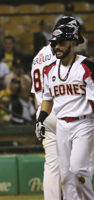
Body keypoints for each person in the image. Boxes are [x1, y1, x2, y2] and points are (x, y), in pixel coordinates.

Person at [36, 16, 94, 199]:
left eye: (61, 42)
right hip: (61, 124)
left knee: (78, 169)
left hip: (83, 123)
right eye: (54, 43)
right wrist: (40, 119)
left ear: (73, 42)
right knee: (65, 177)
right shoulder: (49, 69)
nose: (56, 47)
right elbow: (47, 99)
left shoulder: (86, 67)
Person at [31, 42, 60, 199]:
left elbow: (36, 95)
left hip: (43, 113)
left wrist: (39, 119)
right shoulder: (61, 52)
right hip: (62, 111)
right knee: (82, 162)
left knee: (51, 166)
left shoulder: (37, 57)